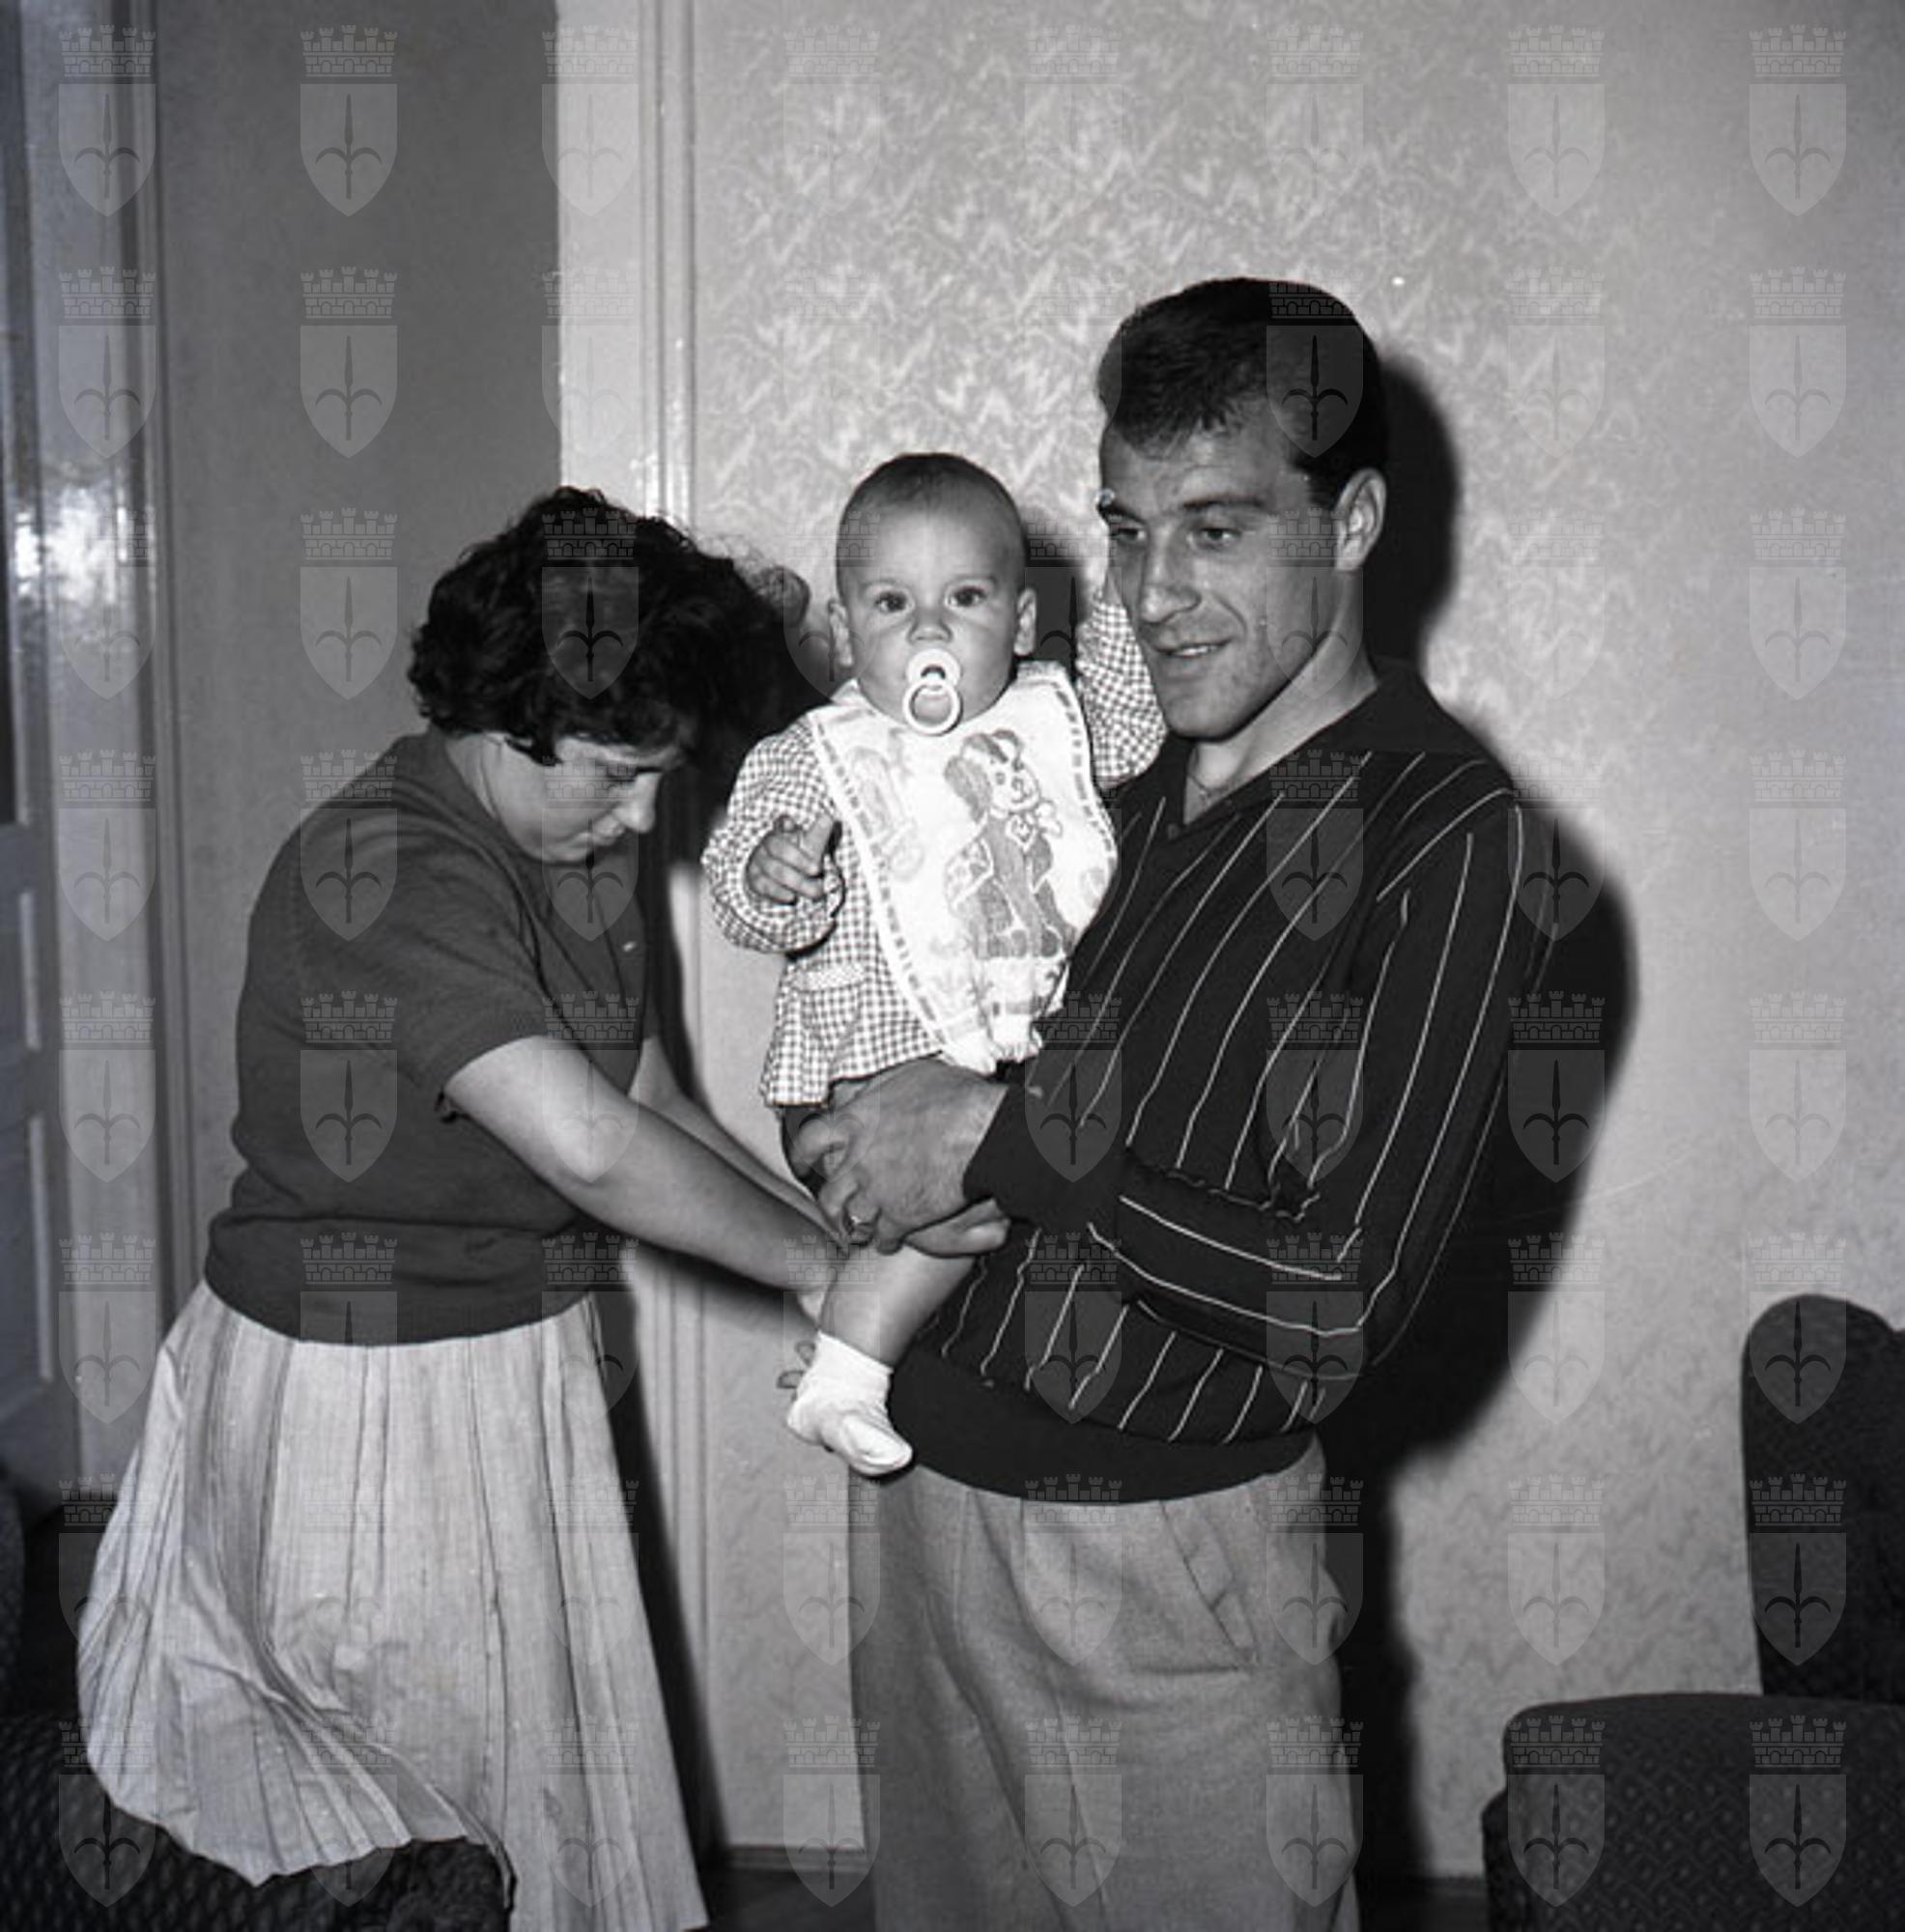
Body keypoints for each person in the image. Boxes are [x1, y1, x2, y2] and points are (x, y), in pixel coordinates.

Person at [73, 489, 997, 1931]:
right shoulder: (382, 866)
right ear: (513, 718)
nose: (644, 817)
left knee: (536, 1802)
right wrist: (829, 1276)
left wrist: (853, 1247)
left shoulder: (572, 848)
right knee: (416, 1825)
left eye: (661, 776)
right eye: (621, 776)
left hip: (509, 1360)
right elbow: (590, 1147)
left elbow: (650, 1098)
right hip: (360, 1395)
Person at [794, 282, 1552, 1929]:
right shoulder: (1102, 804)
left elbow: (1337, 1304)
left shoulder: (1443, 830)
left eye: (1215, 530)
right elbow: (926, 1078)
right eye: (1128, 531)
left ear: (1353, 521)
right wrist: (854, 1133)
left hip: (1166, 1575)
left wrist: (995, 1140)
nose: (1150, 593)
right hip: (924, 1505)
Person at [702, 453, 1148, 1477]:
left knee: (994, 1211)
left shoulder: (1054, 722)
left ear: (1023, 624)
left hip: (1014, 1042)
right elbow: (738, 889)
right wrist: (775, 876)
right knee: (933, 1211)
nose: (930, 633)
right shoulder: (816, 754)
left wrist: (1128, 587)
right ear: (846, 628)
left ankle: (860, 1364)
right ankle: (847, 1371)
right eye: (894, 604)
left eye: (966, 599)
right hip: (878, 1046)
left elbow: (1133, 720)